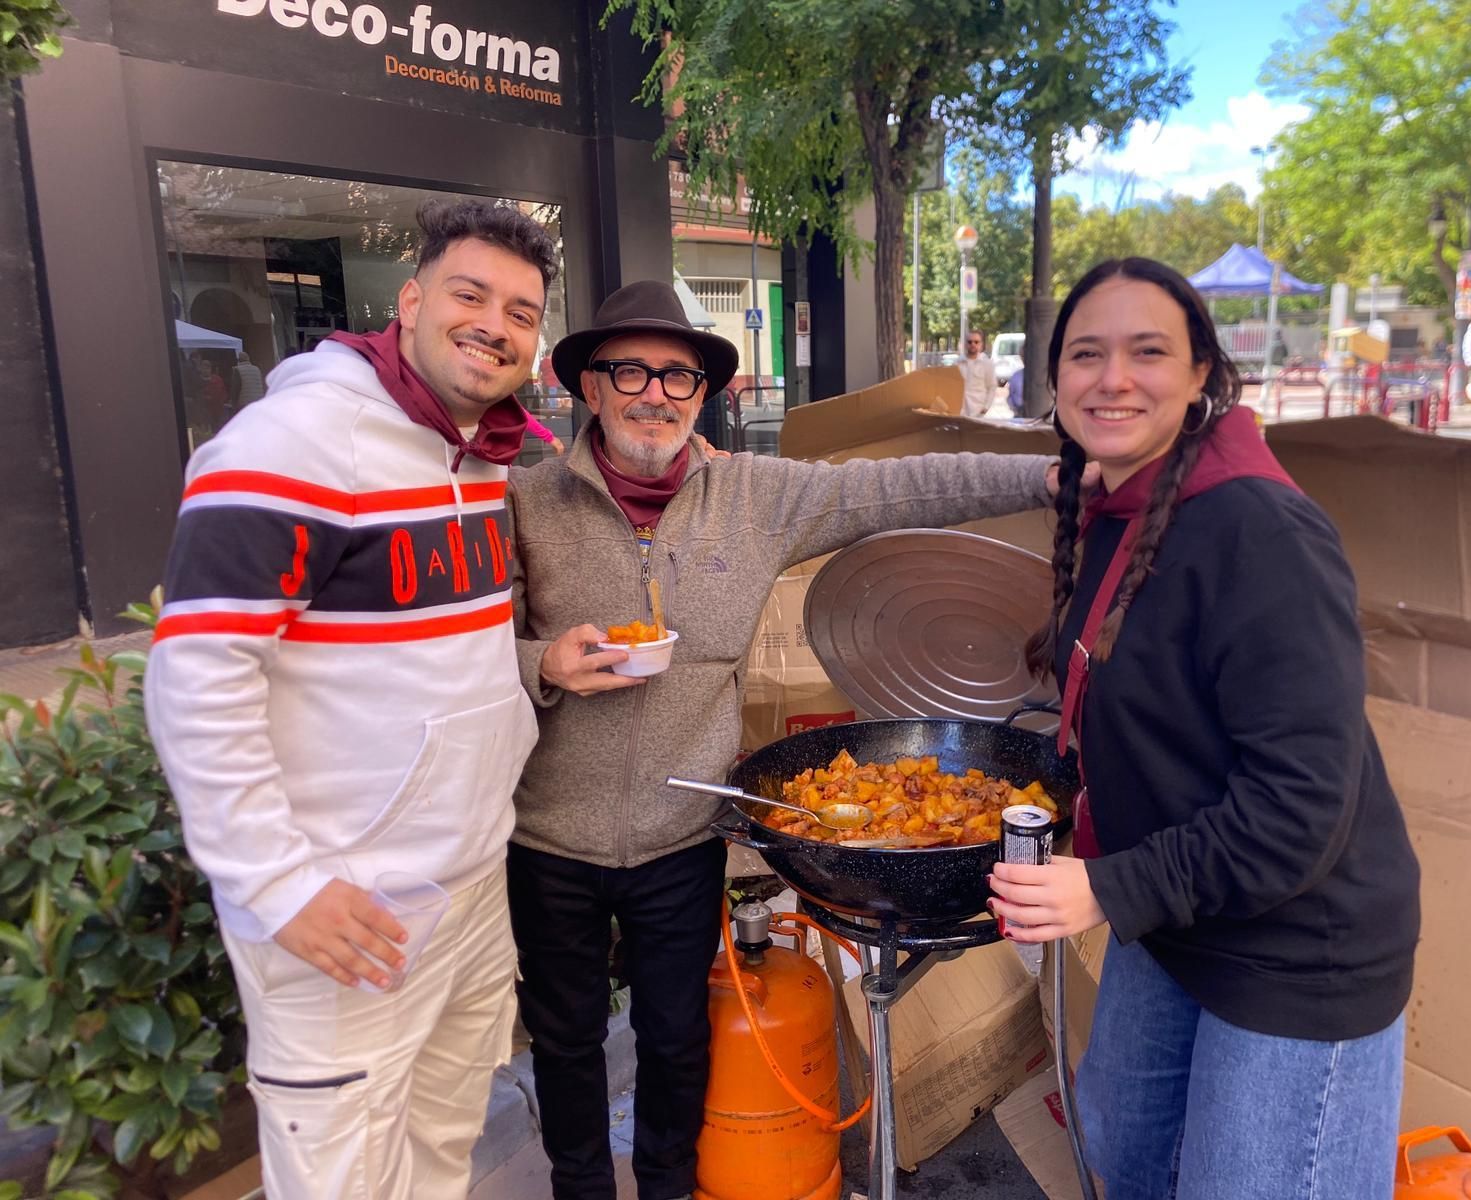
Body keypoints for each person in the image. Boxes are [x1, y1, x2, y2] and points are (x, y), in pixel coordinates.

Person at [503, 280, 1059, 1200]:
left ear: (704, 394)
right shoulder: (526, 504)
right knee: (563, 1035)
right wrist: (541, 667)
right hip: (549, 835)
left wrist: (1048, 474)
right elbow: (463, 651)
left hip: (682, 832)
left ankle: (670, 1187)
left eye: (679, 377)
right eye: (629, 370)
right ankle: (580, 1188)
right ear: (588, 389)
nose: (655, 394)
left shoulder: (753, 498)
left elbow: (900, 485)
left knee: (677, 1035)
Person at [145, 199, 559, 1200]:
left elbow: (424, 657)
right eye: (470, 294)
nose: (494, 324)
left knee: (440, 1150)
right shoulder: (287, 445)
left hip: (467, 889)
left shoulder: (480, 457)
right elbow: (196, 678)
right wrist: (277, 884)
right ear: (411, 301)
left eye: (519, 310)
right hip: (344, 909)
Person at [988, 257, 1420, 1199]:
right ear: (1054, 378)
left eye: (1149, 352)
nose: (1114, 378)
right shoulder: (1118, 502)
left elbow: (1298, 810)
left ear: (1200, 377)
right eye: (1086, 354)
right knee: (1125, 1151)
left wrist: (1106, 887)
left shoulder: (1260, 531)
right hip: (1184, 919)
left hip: (1299, 951)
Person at [956, 328, 998, 418]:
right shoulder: (957, 363)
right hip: (959, 412)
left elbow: (992, 387)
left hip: (978, 412)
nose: (973, 344)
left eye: (976, 342)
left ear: (981, 344)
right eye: (970, 342)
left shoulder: (987, 364)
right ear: (965, 344)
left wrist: (986, 407)